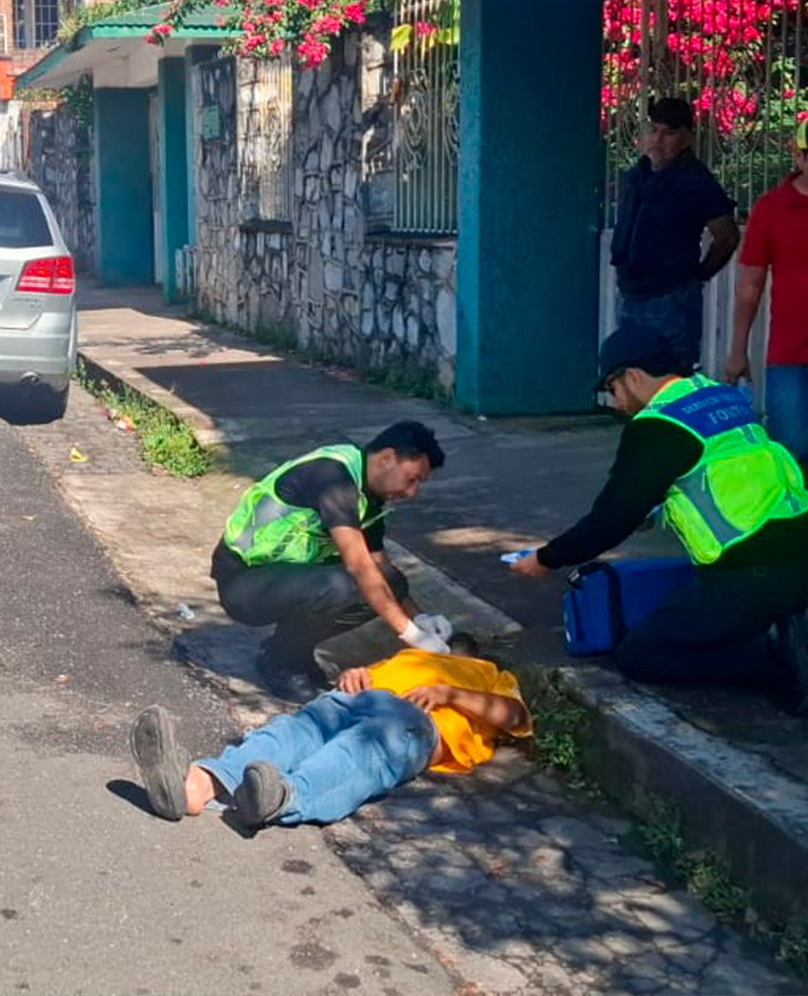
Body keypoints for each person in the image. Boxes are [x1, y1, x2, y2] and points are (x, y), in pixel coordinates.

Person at [509, 324, 808, 712]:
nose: (617, 403)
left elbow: (609, 521)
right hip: (798, 553)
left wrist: (546, 558)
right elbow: (710, 473)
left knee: (643, 653)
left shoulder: (657, 426)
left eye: (613, 388)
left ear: (633, 376)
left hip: (751, 572)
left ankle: (774, 654)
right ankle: (784, 622)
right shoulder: (718, 395)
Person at [128, 634, 531, 826]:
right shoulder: (412, 656)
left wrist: (450, 693)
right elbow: (365, 674)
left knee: (358, 753)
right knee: (293, 732)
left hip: (415, 722)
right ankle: (197, 785)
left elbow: (514, 717)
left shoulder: (489, 674)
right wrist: (356, 672)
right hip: (355, 698)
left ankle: (281, 798)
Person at [211, 421, 451, 691]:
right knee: (338, 586)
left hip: (289, 577)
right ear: (386, 458)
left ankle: (289, 650)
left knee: (393, 583)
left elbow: (379, 564)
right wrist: (411, 634)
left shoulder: (368, 495)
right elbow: (360, 566)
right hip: (243, 581)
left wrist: (420, 618)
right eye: (411, 479)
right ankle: (281, 663)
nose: (412, 493)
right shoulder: (333, 478)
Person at [611, 96, 739, 370]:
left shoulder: (694, 180)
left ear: (686, 138)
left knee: (669, 377)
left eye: (669, 133)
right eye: (653, 130)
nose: (657, 140)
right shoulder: (637, 176)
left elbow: (727, 235)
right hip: (630, 294)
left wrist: (698, 276)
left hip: (670, 299)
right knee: (629, 375)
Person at [723, 120, 808, 463]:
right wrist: (737, 351)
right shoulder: (772, 209)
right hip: (790, 354)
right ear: (798, 155)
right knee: (790, 452)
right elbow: (750, 286)